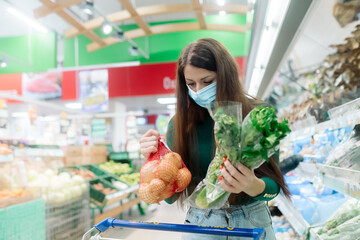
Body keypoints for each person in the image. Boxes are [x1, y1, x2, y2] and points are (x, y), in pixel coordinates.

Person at [139, 38, 291, 240]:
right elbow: (170, 198)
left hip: (252, 221)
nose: (199, 91)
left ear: (226, 76)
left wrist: (251, 184)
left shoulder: (258, 115)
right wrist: (154, 164)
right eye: (190, 84)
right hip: (201, 225)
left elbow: (274, 189)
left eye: (208, 81)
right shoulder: (180, 124)